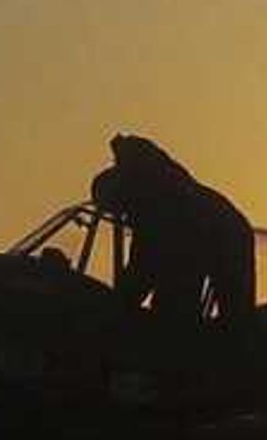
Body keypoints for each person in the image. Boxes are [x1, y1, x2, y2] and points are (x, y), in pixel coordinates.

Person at [94, 134, 256, 330]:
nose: (125, 218)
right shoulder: (156, 186)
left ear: (123, 195)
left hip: (221, 235)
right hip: (219, 228)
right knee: (176, 312)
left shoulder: (157, 206)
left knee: (181, 317)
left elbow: (142, 269)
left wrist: (113, 309)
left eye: (120, 210)